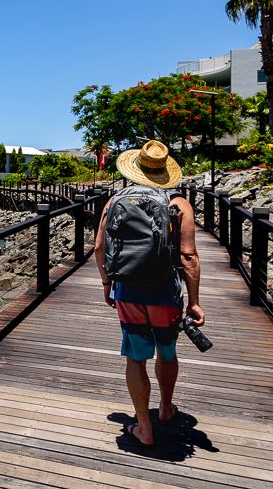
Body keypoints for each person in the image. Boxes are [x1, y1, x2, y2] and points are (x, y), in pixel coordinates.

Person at [94, 140, 205, 446]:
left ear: (135, 169)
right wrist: (194, 302)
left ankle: (143, 426)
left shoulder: (114, 200)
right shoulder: (179, 205)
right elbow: (188, 257)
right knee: (166, 351)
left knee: (135, 357)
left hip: (128, 290)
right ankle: (166, 408)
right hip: (164, 292)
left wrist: (107, 284)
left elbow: (99, 247)